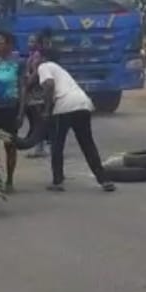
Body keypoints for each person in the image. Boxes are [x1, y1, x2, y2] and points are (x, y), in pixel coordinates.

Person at [35, 49, 116, 192]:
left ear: (42, 58)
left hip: (65, 106)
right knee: (87, 143)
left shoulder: (44, 66)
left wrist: (47, 110)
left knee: (57, 144)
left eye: (35, 57)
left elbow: (48, 85)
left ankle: (57, 181)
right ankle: (104, 180)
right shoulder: (60, 70)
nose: (32, 60)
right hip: (83, 103)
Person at [0, 31, 24, 192]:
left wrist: (21, 112)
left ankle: (9, 180)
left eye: (0, 43)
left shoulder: (18, 62)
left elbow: (23, 87)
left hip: (10, 108)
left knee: (10, 146)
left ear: (9, 45)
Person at [23, 30, 51, 159]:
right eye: (29, 41)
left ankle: (40, 148)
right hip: (35, 92)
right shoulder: (32, 55)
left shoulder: (37, 57)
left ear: (39, 44)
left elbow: (35, 74)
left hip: (37, 93)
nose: (29, 43)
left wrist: (27, 83)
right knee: (37, 120)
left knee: (38, 120)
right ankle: (41, 146)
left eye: (32, 41)